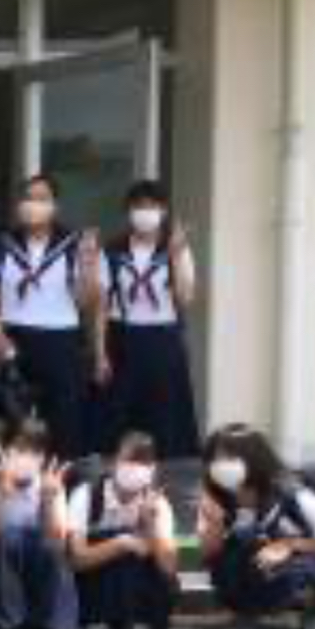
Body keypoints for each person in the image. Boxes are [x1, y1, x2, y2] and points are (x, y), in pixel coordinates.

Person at [0, 174, 104, 461]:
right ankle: (10, 478)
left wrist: (87, 266)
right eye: (28, 198)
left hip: (61, 342)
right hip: (13, 339)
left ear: (55, 206)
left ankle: (61, 479)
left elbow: (86, 302)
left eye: (41, 199)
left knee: (64, 422)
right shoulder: (1, 243)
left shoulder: (75, 243)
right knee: (11, 418)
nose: (33, 205)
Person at [198, 423, 315, 629]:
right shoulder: (218, 497)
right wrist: (215, 525)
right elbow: (208, 554)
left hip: (312, 554)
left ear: (254, 458)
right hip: (261, 555)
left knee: (300, 570)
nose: (221, 465)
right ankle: (245, 612)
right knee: (226, 562)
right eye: (216, 458)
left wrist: (287, 545)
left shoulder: (296, 493)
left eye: (230, 458)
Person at [97, 181, 200, 458]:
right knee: (118, 413)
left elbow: (185, 298)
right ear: (128, 212)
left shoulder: (176, 248)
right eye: (138, 206)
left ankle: (166, 472)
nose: (145, 212)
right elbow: (102, 305)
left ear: (163, 211)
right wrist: (100, 353)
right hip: (122, 338)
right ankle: (118, 471)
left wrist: (176, 256)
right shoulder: (113, 250)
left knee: (165, 413)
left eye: (152, 206)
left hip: (163, 339)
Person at [0, 418, 81, 629]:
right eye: (19, 448)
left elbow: (57, 540)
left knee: (48, 547)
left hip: (35, 560)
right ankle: (2, 625)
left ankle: (54, 625)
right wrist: (0, 494)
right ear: (4, 450)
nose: (26, 456)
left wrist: (48, 500)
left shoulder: (50, 481)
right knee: (6, 537)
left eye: (35, 451)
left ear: (43, 457)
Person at [67, 431, 179, 629]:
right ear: (113, 464)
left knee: (145, 558)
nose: (135, 468)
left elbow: (169, 568)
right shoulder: (87, 494)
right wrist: (121, 543)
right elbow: (77, 559)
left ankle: (141, 618)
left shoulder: (158, 503)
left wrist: (150, 525)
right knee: (118, 544)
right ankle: (97, 617)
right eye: (129, 460)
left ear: (153, 470)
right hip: (96, 588)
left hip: (137, 592)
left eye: (143, 463)